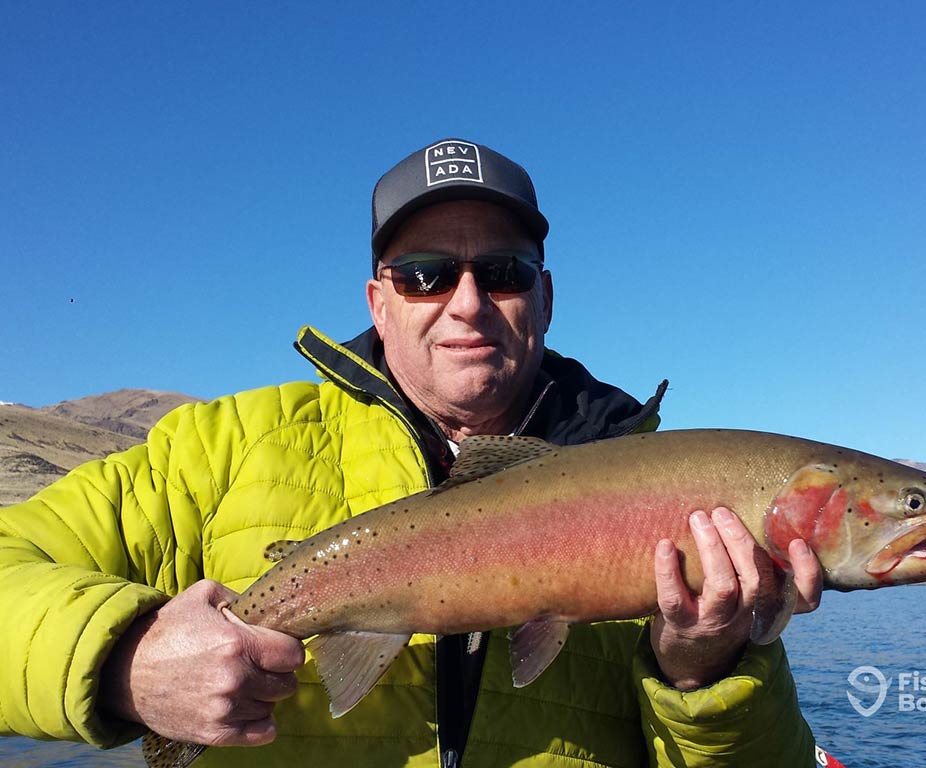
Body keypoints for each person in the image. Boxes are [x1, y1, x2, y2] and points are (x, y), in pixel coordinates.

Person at [0, 138, 825, 767]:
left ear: (544, 294)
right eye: (426, 275)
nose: (467, 303)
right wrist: (121, 660)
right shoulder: (216, 450)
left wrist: (706, 674)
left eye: (501, 271)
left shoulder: (664, 486)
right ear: (377, 301)